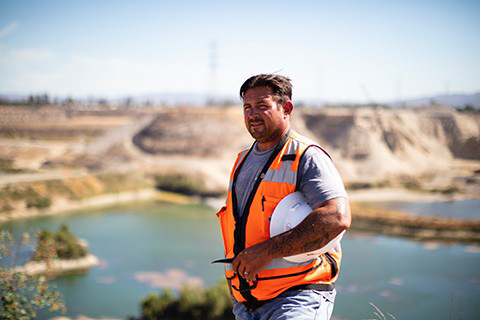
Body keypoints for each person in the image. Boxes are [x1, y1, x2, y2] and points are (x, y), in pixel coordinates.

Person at [215, 74, 351, 320]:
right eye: (247, 107)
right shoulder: (241, 159)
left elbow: (337, 217)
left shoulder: (306, 156)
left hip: (297, 296)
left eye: (262, 106)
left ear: (286, 108)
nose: (252, 114)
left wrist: (266, 252)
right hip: (246, 303)